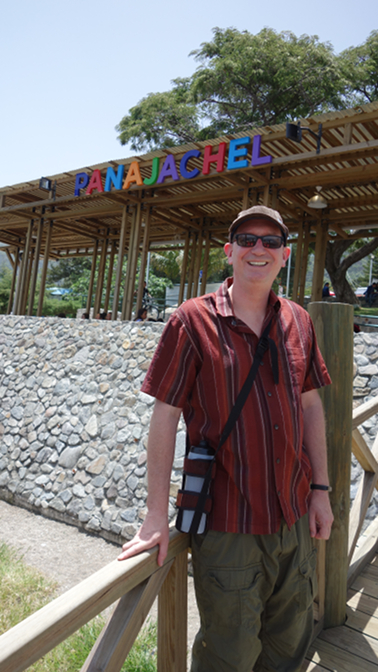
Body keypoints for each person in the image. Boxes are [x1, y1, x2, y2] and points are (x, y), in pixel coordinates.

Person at [118, 205, 334, 672]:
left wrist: (321, 491)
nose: (259, 248)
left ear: (285, 255)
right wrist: (156, 515)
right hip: (229, 524)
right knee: (228, 656)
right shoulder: (191, 321)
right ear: (229, 251)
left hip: (294, 519)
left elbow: (312, 405)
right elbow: (165, 416)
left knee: (289, 644)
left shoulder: (299, 320)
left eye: (271, 241)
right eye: (247, 239)